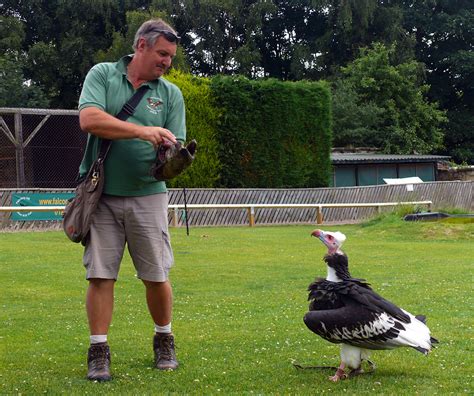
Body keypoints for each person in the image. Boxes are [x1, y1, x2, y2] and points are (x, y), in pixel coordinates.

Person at [77, 18, 185, 381]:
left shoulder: (170, 94)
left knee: (156, 275)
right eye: (162, 54)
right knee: (100, 275)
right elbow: (90, 119)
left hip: (149, 195)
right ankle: (98, 351)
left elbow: (172, 149)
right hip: (102, 194)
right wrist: (143, 131)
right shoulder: (103, 75)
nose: (167, 62)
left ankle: (164, 340)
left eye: (170, 56)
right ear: (141, 45)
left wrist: (174, 159)